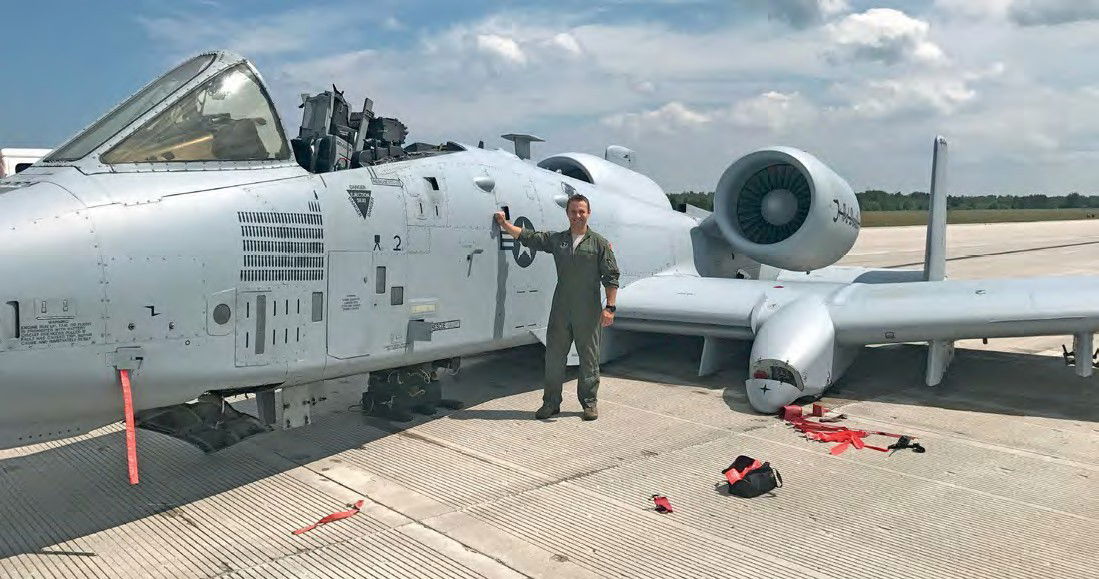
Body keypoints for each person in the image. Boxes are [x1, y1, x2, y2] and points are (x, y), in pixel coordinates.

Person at [494, 194, 619, 420]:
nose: (577, 216)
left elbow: (611, 277)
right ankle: (551, 403)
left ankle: (589, 403)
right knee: (554, 358)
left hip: (588, 310)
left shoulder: (599, 243)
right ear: (567, 214)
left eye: (581, 211)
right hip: (561, 308)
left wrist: (610, 307)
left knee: (589, 359)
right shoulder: (558, 240)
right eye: (573, 211)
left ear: (588, 213)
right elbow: (529, 237)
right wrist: (504, 225)